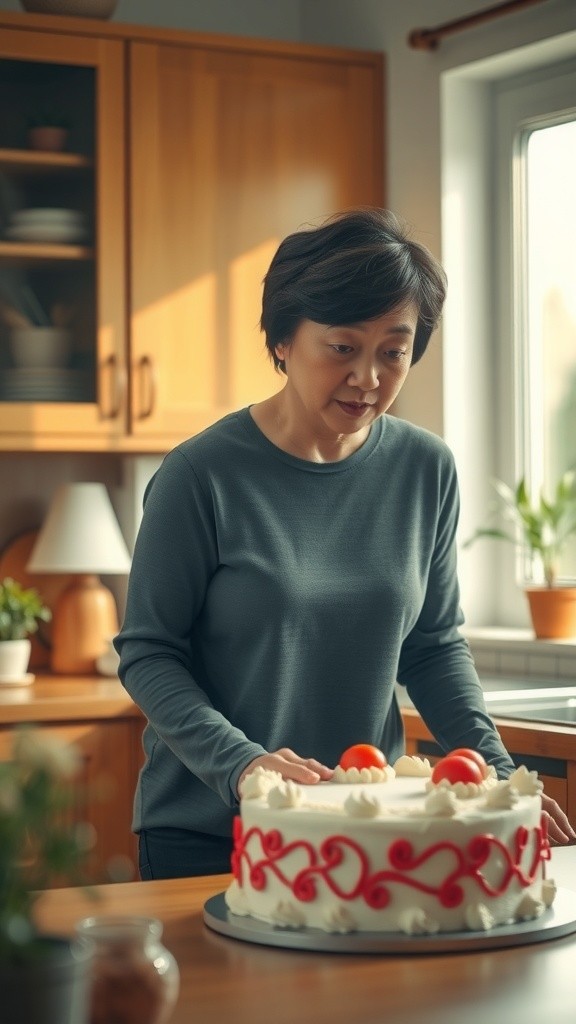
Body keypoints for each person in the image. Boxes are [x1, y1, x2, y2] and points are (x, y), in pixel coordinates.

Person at [115, 207, 575, 880]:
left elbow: (434, 646)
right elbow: (149, 653)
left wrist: (499, 781)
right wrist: (244, 765)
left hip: (363, 829)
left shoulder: (425, 469)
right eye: (343, 347)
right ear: (281, 341)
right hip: (212, 831)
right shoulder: (200, 475)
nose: (369, 378)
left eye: (394, 350)